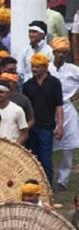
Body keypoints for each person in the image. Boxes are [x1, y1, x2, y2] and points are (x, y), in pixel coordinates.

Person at [23, 53, 63, 186]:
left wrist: (60, 126)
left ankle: (48, 189)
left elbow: (59, 106)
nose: (34, 69)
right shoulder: (28, 85)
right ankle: (32, 188)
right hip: (32, 127)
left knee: (46, 160)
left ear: (46, 67)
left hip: (47, 127)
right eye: (33, 66)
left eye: (38, 67)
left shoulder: (54, 83)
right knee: (32, 159)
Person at [48, 37, 79, 192]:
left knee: (68, 148)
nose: (61, 55)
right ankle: (48, 177)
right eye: (58, 52)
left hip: (67, 109)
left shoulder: (73, 70)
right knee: (48, 145)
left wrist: (75, 96)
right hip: (49, 110)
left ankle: (63, 180)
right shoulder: (47, 68)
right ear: (53, 52)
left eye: (64, 52)